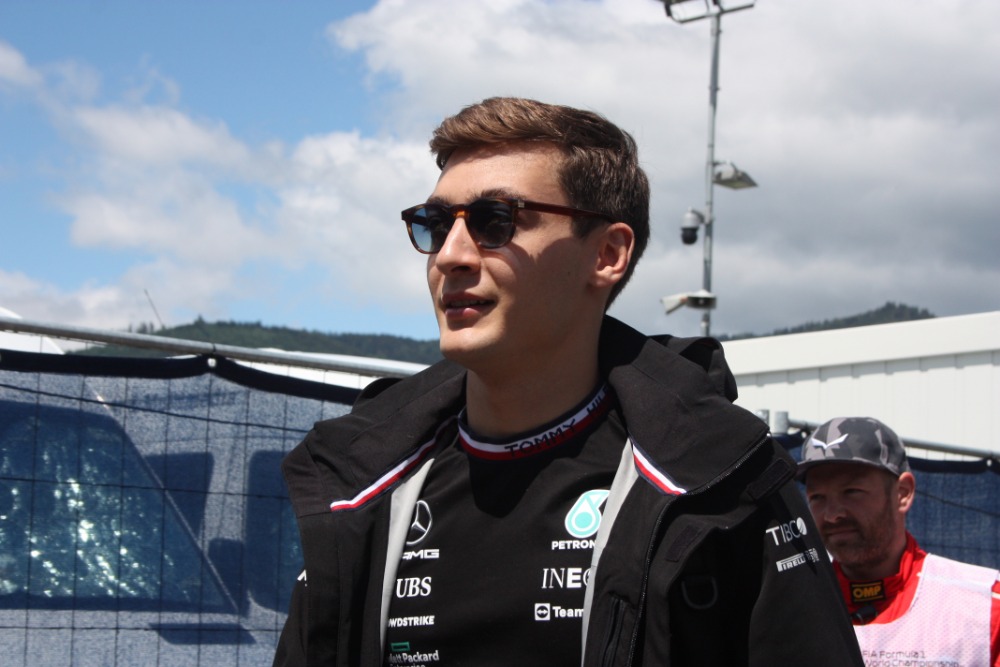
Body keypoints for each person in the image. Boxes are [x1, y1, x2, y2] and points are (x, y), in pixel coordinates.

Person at [273, 97, 863, 666]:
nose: (450, 255)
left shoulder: (724, 478)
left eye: (495, 220)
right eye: (435, 223)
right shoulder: (360, 480)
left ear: (607, 253)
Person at [799, 416, 1000, 666]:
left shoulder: (985, 606)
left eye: (851, 492)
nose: (832, 515)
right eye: (817, 497)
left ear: (902, 493)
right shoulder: (792, 607)